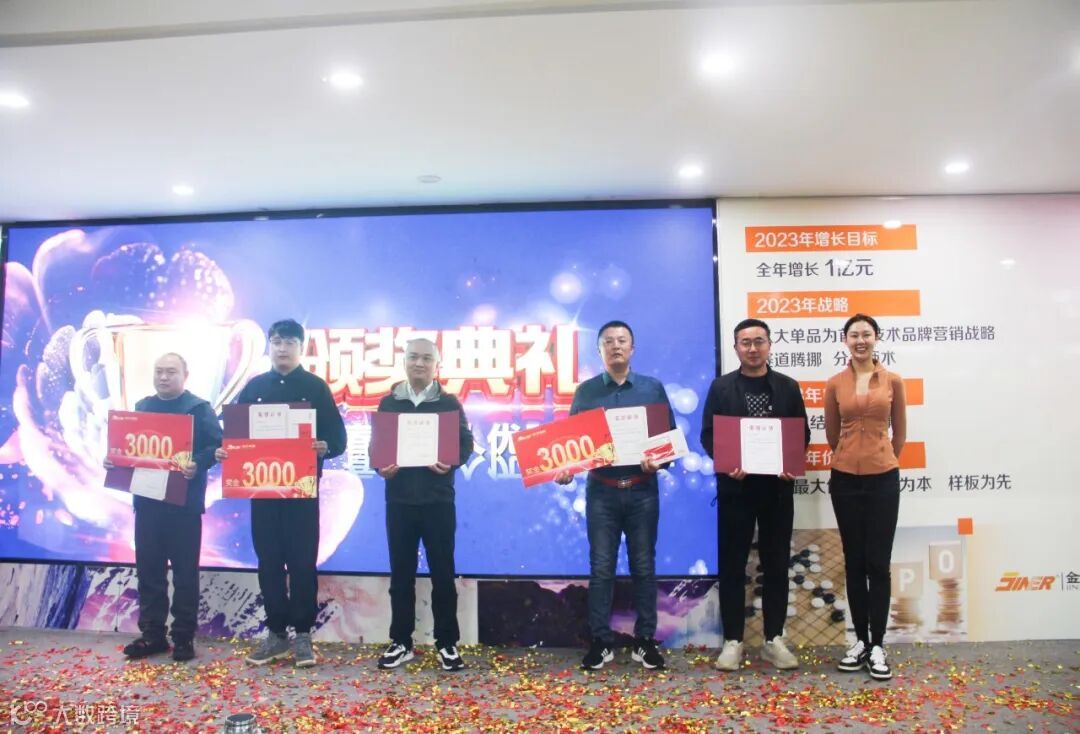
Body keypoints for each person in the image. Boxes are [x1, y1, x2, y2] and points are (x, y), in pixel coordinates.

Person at [216, 319, 347, 668]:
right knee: (269, 562)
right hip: (262, 490)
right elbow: (235, 437)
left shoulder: (315, 388)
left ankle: (302, 634)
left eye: (289, 342)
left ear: (301, 348)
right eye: (276, 341)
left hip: (301, 490)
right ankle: (276, 633)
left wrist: (324, 446)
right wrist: (228, 451)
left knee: (303, 562)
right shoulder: (255, 386)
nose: (282, 348)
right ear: (269, 347)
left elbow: (338, 439)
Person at [556, 320, 674, 671]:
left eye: (622, 340)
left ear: (632, 348)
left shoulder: (652, 389)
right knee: (601, 568)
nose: (616, 346)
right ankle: (601, 642)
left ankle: (645, 641)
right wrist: (565, 468)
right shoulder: (587, 392)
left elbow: (668, 439)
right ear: (600, 351)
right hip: (602, 493)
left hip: (642, 490)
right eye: (608, 341)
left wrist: (659, 460)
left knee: (644, 566)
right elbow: (571, 444)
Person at [700, 319, 810, 672]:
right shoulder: (721, 387)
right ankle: (733, 640)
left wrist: (790, 462)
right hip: (736, 489)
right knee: (733, 565)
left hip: (776, 490)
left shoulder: (788, 387)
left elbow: (801, 434)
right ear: (736, 348)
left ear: (769, 345)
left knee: (776, 565)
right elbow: (708, 434)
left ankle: (773, 639)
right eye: (745, 342)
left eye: (758, 341)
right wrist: (727, 461)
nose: (752, 348)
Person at [107, 352, 222, 662]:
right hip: (147, 504)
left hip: (184, 506)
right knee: (149, 571)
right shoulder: (142, 407)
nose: (163, 377)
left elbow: (218, 446)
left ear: (185, 375)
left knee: (185, 574)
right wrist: (114, 461)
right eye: (159, 371)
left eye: (171, 371)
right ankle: (152, 635)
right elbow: (129, 449)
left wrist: (198, 463)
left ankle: (183, 637)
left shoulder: (199, 408)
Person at [374, 338, 474, 672]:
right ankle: (401, 641)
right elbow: (377, 447)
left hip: (438, 502)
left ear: (436, 365)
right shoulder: (389, 402)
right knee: (400, 575)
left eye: (426, 358)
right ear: (404, 361)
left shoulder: (448, 403)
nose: (419, 363)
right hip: (399, 501)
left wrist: (451, 462)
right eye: (413, 357)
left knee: (443, 574)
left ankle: (447, 643)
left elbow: (466, 444)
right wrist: (381, 467)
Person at [824, 313, 907, 681]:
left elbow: (899, 432)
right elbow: (832, 434)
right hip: (844, 480)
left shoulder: (893, 381)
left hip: (883, 478)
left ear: (876, 339)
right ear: (845, 340)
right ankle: (860, 640)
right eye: (854, 335)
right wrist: (850, 457)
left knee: (878, 563)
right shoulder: (835, 384)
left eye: (866, 334)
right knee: (854, 562)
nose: (860, 340)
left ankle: (878, 645)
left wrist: (880, 457)